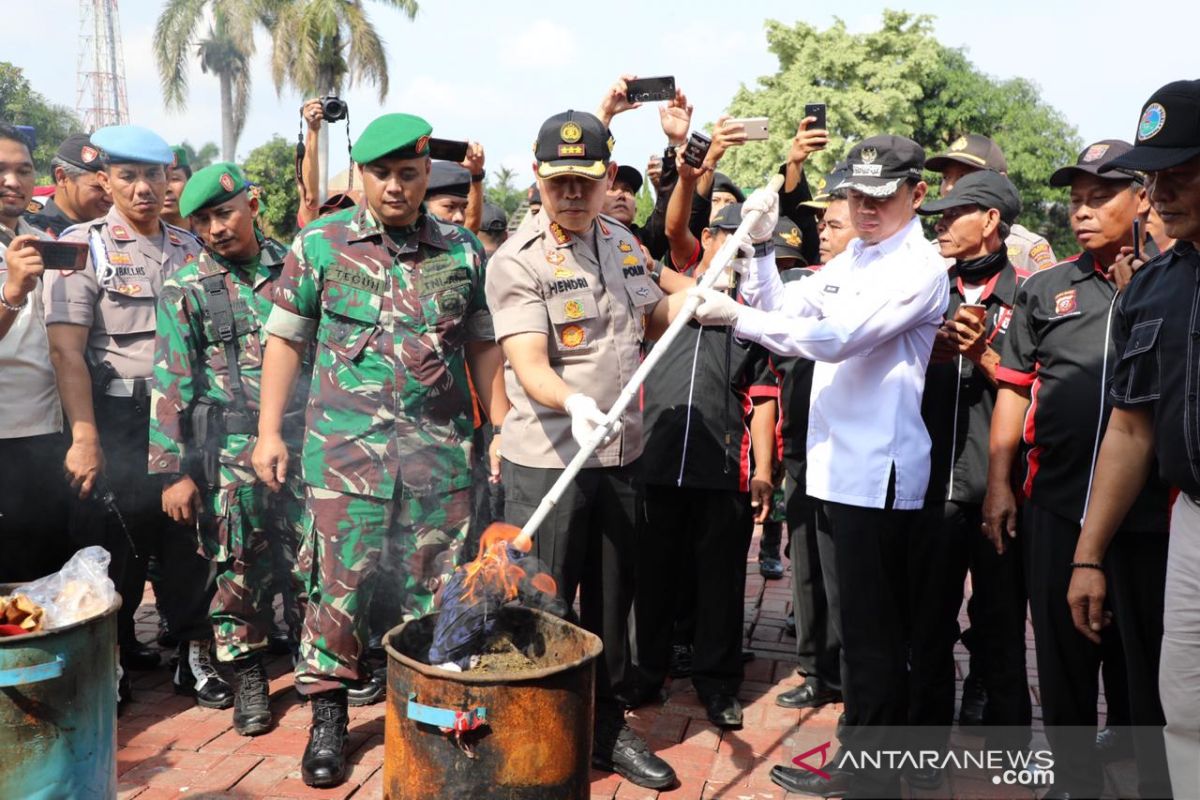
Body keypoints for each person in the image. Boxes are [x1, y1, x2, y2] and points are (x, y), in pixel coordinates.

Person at [687, 135, 949, 797]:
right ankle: (860, 756)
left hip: (877, 471)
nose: (865, 208)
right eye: (856, 194)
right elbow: (788, 309)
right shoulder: (858, 255)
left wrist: (735, 316)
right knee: (851, 627)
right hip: (834, 466)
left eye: (881, 196)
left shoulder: (917, 267)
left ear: (916, 195)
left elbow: (836, 338)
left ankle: (870, 770)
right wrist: (763, 250)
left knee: (874, 634)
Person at [252, 112, 505, 787]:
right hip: (344, 459)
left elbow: (481, 343)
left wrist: (501, 424)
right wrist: (270, 430)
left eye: (409, 174)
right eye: (382, 173)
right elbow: (285, 339)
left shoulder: (462, 250)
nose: (396, 186)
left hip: (439, 460)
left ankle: (424, 716)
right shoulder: (321, 244)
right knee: (338, 591)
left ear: (428, 174)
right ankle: (330, 720)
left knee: (433, 589)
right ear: (362, 174)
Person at [485, 109, 677, 790]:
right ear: (538, 176)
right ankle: (532, 728)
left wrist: (727, 302)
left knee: (611, 599)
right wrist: (573, 401)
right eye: (559, 180)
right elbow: (530, 364)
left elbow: (656, 310)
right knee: (543, 604)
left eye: (585, 181)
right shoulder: (516, 261)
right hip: (550, 463)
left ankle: (607, 727)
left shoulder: (622, 242)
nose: (572, 193)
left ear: (606, 179)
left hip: (619, 456)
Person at [984, 139, 1171, 798]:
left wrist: (1138, 294)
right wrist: (1001, 484)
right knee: (1062, 657)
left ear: (1143, 198)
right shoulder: (1046, 287)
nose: (1083, 211)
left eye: (1101, 197)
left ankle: (1152, 774)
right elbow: (1013, 386)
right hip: (1057, 506)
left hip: (1152, 516)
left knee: (1147, 664)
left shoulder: (1174, 283)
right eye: (1076, 199)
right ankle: (1072, 779)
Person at [42, 125, 228, 709]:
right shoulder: (83, 245)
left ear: (168, 177)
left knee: (190, 536)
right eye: (128, 176)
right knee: (114, 542)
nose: (143, 188)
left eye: (153, 175)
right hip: (118, 412)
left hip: (185, 414)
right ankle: (114, 658)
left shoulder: (188, 246)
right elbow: (66, 350)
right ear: (105, 180)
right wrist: (85, 436)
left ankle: (195, 655)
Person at [1066, 79, 1200, 800]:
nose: (1161, 191)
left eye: (1182, 170)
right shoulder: (1152, 289)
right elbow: (1129, 426)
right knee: (1180, 711)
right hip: (1192, 524)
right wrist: (1088, 556)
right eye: (1155, 175)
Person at [149, 162, 306, 736]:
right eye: (203, 220)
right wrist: (174, 473)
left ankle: (322, 667)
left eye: (224, 212)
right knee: (238, 567)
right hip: (230, 450)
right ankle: (248, 677)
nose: (215, 228)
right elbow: (171, 382)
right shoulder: (186, 285)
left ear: (253, 204)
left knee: (313, 555)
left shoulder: (296, 265)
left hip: (302, 439)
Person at [632, 203, 778, 729]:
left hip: (725, 468)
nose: (733, 251)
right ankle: (644, 674)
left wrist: (764, 469)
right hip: (655, 460)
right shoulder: (666, 297)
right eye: (726, 237)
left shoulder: (753, 313)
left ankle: (717, 684)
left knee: (720, 583)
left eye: (746, 244)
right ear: (708, 241)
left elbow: (763, 398)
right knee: (651, 578)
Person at [915, 170, 1032, 759]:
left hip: (1000, 491)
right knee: (927, 624)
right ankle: (927, 754)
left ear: (990, 222)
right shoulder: (927, 288)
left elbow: (1041, 393)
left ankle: (1012, 755)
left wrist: (980, 353)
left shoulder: (1031, 294)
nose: (939, 221)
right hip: (930, 484)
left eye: (953, 212)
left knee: (1003, 625)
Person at [0, 123, 72, 582]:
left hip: (47, 431)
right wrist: (11, 293)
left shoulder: (36, 237)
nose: (14, 181)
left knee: (43, 566)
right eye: (1, 170)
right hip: (3, 435)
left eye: (24, 169)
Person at [926, 134, 1057, 272]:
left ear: (1000, 182)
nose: (949, 187)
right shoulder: (931, 255)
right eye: (946, 177)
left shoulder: (1027, 249)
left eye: (963, 177)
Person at [23, 132, 111, 237]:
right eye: (99, 187)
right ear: (62, 177)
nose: (110, 198)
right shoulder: (30, 229)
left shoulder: (113, 229)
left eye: (112, 187)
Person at [425, 146, 485, 232]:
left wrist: (476, 174)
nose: (459, 217)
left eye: (463, 208)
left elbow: (471, 225)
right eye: (450, 207)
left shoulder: (457, 243)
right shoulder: (403, 242)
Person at [161, 146, 193, 231]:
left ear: (189, 183)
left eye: (174, 179)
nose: (167, 189)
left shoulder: (207, 233)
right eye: (161, 180)